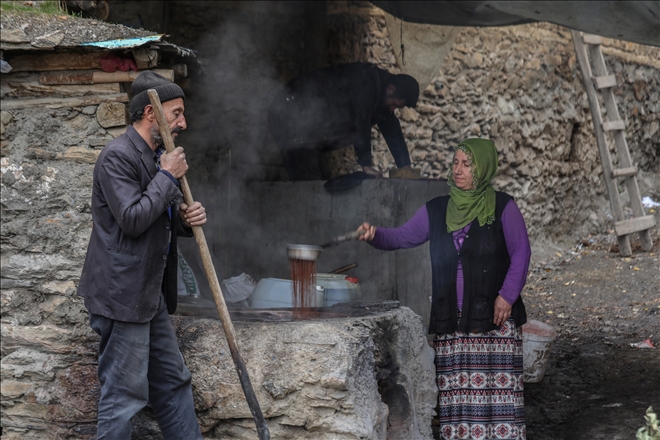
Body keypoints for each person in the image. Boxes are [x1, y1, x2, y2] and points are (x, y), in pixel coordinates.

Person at [358, 138, 531, 440]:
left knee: (496, 404)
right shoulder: (437, 210)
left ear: (484, 168)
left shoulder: (503, 206)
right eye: (456, 163)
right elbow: (402, 237)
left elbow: (522, 253)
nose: (459, 169)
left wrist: (507, 296)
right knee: (458, 404)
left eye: (468, 164)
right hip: (453, 323)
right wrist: (375, 235)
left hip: (494, 323)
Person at [77, 71, 206, 440]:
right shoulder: (117, 156)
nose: (184, 122)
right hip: (123, 297)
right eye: (177, 113)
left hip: (149, 297)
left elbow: (159, 220)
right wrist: (166, 177)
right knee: (124, 396)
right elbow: (132, 220)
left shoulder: (157, 157)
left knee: (173, 383)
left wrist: (185, 218)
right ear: (151, 112)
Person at [267, 62, 421, 181]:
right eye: (394, 104)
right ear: (390, 88)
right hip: (291, 117)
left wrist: (405, 168)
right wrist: (366, 166)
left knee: (322, 183)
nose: (393, 109)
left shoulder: (383, 97)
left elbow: (392, 128)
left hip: (311, 133)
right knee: (309, 185)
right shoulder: (366, 81)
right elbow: (360, 121)